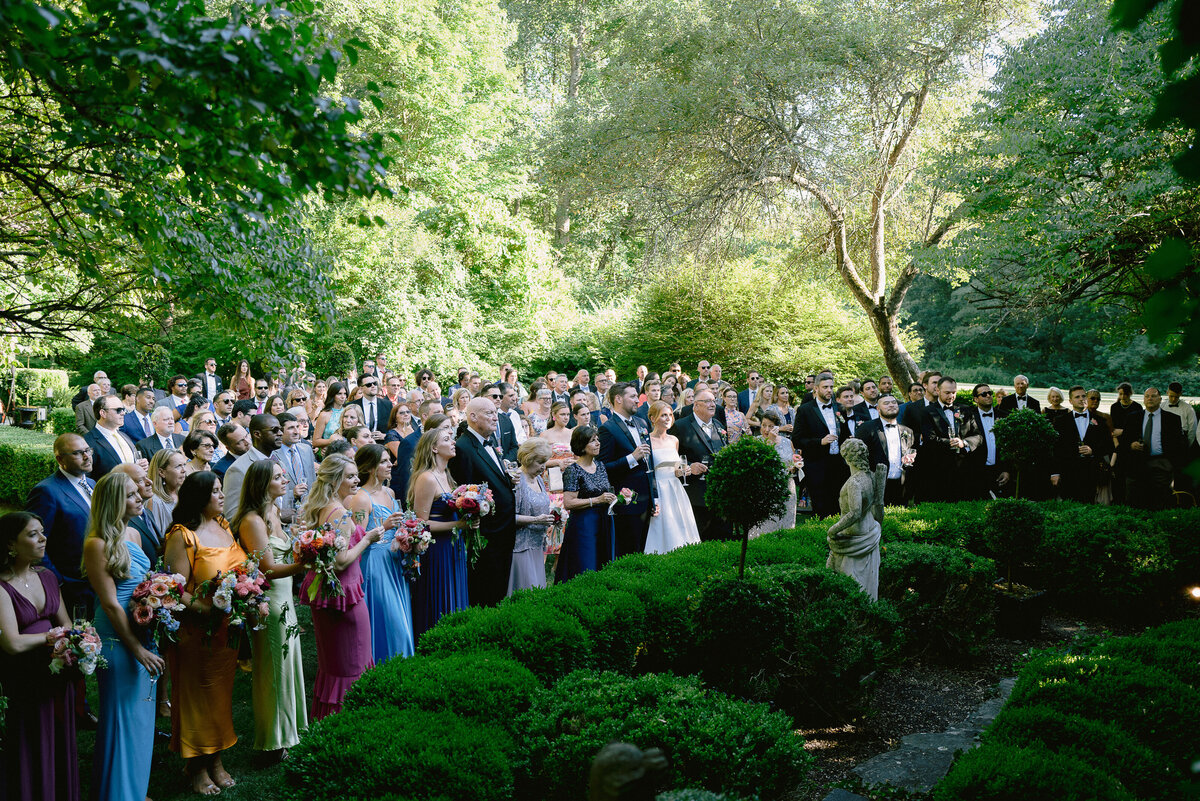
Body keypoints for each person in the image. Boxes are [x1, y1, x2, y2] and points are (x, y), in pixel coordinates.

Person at [82, 472, 164, 801]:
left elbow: (145, 582)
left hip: (142, 629)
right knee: (121, 720)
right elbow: (111, 603)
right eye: (131, 495)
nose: (139, 498)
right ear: (115, 502)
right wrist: (137, 649)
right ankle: (119, 793)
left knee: (142, 718)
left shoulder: (133, 532)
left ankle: (134, 788)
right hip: (117, 639)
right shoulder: (96, 543)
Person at [162, 471, 244, 794]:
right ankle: (196, 764)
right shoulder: (182, 536)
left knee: (221, 695)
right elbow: (174, 589)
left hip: (227, 630)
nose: (222, 496)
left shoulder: (224, 526)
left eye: (222, 490)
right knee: (198, 695)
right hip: (197, 630)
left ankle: (217, 759)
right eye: (215, 491)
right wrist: (208, 610)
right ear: (199, 498)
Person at [231, 460, 309, 758]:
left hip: (286, 599)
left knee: (288, 665)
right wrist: (306, 563)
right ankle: (271, 740)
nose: (285, 480)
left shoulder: (274, 512)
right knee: (274, 669)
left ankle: (289, 729)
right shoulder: (252, 520)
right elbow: (268, 569)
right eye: (278, 477)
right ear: (263, 485)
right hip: (269, 603)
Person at [0, 512, 80, 801]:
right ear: (11, 544)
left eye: (43, 532)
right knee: (30, 744)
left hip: (57, 673)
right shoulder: (1, 587)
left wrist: (67, 644)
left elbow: (68, 624)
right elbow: (12, 643)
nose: (43, 538)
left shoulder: (47, 576)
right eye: (33, 534)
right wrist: (52, 637)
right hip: (24, 681)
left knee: (58, 740)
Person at [296, 455, 381, 720]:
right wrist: (367, 538)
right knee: (352, 663)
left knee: (333, 664)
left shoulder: (322, 507)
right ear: (334, 480)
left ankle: (327, 721)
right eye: (350, 476)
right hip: (345, 599)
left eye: (357, 475)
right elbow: (342, 561)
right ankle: (349, 721)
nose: (356, 480)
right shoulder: (340, 514)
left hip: (328, 596)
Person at [448, 397, 518, 607]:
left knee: (499, 589)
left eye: (495, 412)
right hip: (487, 535)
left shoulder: (491, 442)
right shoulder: (463, 448)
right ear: (472, 416)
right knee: (486, 591)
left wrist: (507, 479)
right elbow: (464, 492)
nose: (495, 417)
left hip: (503, 531)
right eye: (489, 413)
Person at [347, 445, 413, 664]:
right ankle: (382, 663)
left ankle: (401, 666)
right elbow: (357, 540)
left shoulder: (390, 492)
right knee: (390, 620)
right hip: (376, 563)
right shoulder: (361, 499)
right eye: (384, 461)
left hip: (395, 560)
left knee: (401, 616)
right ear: (371, 468)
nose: (390, 464)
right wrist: (384, 525)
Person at [408, 429, 469, 641]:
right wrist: (459, 524)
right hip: (437, 547)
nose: (453, 443)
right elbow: (420, 523)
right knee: (439, 595)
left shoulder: (447, 475)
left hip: (453, 544)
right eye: (446, 440)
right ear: (434, 448)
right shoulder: (427, 478)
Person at [26, 434, 96, 617]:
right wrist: (58, 581)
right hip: (73, 587)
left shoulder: (91, 483)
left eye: (88, 450)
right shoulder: (46, 491)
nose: (87, 456)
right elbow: (34, 544)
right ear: (60, 459)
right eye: (78, 453)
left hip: (98, 580)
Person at [598, 382, 658, 556]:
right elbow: (604, 468)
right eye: (632, 396)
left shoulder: (641, 422)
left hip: (646, 499)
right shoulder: (607, 429)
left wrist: (655, 497)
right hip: (627, 500)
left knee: (643, 549)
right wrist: (632, 458)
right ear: (618, 399)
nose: (637, 401)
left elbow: (650, 463)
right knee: (628, 551)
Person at [669, 388, 733, 541]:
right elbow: (670, 457)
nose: (713, 404)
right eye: (707, 401)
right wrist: (690, 466)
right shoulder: (681, 426)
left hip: (720, 494)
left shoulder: (718, 425)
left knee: (723, 538)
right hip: (695, 495)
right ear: (695, 405)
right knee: (699, 539)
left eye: (714, 400)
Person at [556, 426, 618, 581]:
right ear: (581, 445)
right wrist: (597, 500)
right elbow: (568, 502)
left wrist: (619, 498)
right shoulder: (573, 470)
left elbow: (606, 491)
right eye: (592, 441)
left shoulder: (601, 466)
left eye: (597, 439)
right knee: (585, 565)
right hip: (584, 524)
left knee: (604, 564)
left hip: (604, 520)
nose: (598, 443)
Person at [642, 403, 702, 553]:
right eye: (663, 415)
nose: (668, 418)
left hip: (676, 488)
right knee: (663, 526)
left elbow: (675, 469)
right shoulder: (646, 440)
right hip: (659, 489)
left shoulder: (674, 440)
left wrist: (684, 471)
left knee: (682, 525)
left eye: (670, 415)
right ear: (652, 418)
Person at [792, 373, 849, 518]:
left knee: (839, 505)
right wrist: (820, 442)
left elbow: (845, 432)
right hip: (816, 464)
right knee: (821, 506)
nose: (829, 390)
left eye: (831, 387)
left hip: (838, 464)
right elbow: (797, 439)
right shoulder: (805, 410)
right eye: (825, 387)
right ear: (816, 388)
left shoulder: (840, 408)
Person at [1119, 387, 1186, 510]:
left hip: (1161, 463)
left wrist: (1171, 464)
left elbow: (1179, 444)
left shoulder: (1172, 419)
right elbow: (1123, 441)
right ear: (1143, 399)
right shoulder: (1132, 417)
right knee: (1135, 500)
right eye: (1147, 396)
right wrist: (1131, 445)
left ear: (1160, 399)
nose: (1150, 398)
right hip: (1136, 463)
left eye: (1153, 396)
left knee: (1161, 500)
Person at [918, 378, 984, 502]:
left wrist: (963, 443)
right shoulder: (927, 412)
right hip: (938, 469)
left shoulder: (966, 410)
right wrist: (950, 443)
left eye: (954, 392)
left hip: (964, 469)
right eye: (947, 392)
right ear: (938, 390)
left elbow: (978, 436)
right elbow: (929, 439)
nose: (951, 396)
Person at [1050, 386, 1115, 503]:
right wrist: (1055, 472)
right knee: (1069, 506)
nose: (1081, 399)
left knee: (1090, 507)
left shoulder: (1100, 421)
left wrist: (1093, 450)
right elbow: (1056, 448)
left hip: (1092, 472)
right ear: (1070, 401)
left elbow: (1109, 446)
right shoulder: (1060, 421)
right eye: (1077, 397)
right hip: (1068, 471)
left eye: (1083, 396)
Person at [508, 438, 555, 595]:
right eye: (539, 462)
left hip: (536, 546)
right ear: (528, 458)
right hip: (521, 547)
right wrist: (536, 520)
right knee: (525, 593)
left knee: (538, 593)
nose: (543, 467)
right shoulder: (517, 480)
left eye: (545, 462)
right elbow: (508, 517)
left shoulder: (539, 479)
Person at [856, 394, 914, 506]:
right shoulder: (866, 428)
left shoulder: (907, 431)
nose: (891, 405)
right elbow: (859, 457)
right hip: (875, 486)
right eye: (886, 403)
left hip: (901, 487)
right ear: (878, 409)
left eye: (893, 402)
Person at [750, 410, 801, 535]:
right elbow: (758, 463)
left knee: (785, 524)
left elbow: (793, 459)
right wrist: (770, 442)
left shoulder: (787, 442)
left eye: (771, 426)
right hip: (765, 489)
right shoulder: (755, 442)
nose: (766, 429)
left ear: (777, 427)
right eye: (764, 425)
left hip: (787, 487)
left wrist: (795, 466)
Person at [222, 414, 282, 520]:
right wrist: (278, 517)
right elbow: (232, 515)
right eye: (274, 430)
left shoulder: (278, 460)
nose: (280, 433)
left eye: (280, 429)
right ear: (257, 434)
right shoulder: (238, 469)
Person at [85, 394, 145, 480]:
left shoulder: (124, 436)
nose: (123, 413)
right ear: (103, 413)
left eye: (123, 409)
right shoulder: (88, 442)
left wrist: (141, 466)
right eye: (118, 410)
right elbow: (86, 478)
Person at [968, 384, 1010, 500]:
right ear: (976, 399)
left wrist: (1006, 469)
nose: (988, 396)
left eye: (990, 393)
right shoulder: (969, 416)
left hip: (999, 471)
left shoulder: (1005, 417)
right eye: (984, 394)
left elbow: (1009, 446)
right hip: (977, 471)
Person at [144, 448, 187, 560]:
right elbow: (158, 541)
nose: (184, 470)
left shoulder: (185, 495)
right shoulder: (155, 501)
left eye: (184, 465)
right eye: (178, 466)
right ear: (161, 472)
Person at [276, 412, 315, 525]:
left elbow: (313, 480)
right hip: (287, 515)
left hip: (309, 511)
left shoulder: (306, 449)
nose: (296, 432)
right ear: (280, 431)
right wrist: (291, 492)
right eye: (291, 428)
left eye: (297, 427)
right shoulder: (273, 455)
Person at [351, 374, 392, 444]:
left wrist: (385, 436)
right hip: (359, 446)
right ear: (361, 388)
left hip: (382, 445)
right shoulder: (353, 406)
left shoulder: (387, 404)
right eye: (369, 385)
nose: (373, 386)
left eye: (375, 383)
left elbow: (394, 427)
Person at [313, 381, 349, 451]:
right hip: (331, 453)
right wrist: (330, 441)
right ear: (332, 395)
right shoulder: (324, 414)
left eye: (344, 394)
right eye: (339, 394)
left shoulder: (348, 411)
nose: (343, 397)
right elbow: (315, 441)